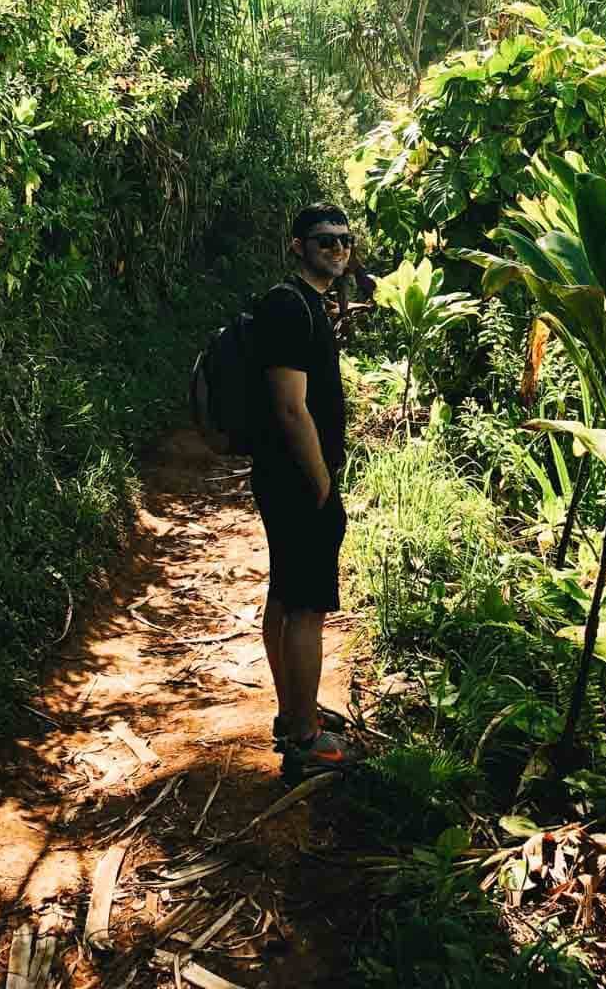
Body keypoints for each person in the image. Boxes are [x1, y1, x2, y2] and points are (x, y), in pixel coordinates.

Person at [250, 203, 362, 780]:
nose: (338, 249)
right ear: (298, 245)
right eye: (325, 240)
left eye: (344, 240)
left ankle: (292, 712)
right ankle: (303, 738)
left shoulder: (307, 304)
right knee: (308, 608)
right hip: (297, 480)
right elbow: (291, 408)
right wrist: (323, 487)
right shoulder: (290, 308)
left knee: (287, 597)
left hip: (286, 477)